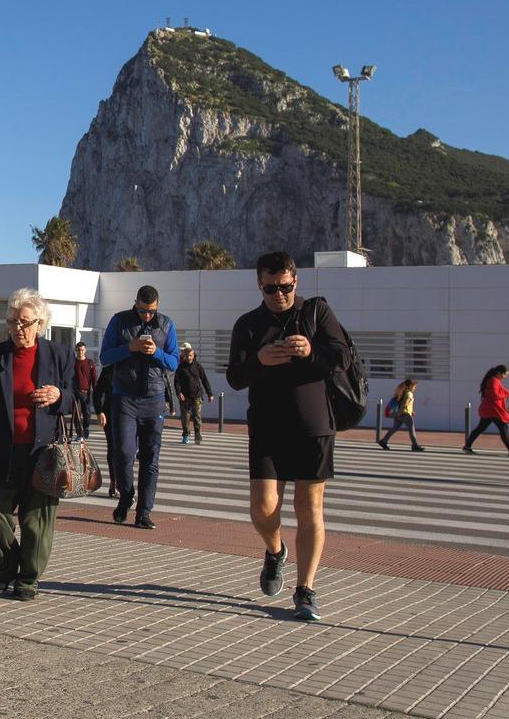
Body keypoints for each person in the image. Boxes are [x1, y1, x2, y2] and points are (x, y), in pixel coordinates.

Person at [226, 251, 351, 622]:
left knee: (309, 507)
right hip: (267, 425)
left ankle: (306, 590)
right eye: (270, 288)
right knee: (263, 508)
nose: (279, 294)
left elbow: (342, 358)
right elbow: (234, 377)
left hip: (314, 425)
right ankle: (275, 550)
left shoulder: (317, 313)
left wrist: (312, 350)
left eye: (285, 287)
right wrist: (259, 361)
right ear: (259, 284)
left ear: (296, 281)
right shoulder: (248, 324)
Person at [0, 288, 74, 600]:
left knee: (36, 521)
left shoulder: (59, 355)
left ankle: (28, 579)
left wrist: (59, 397)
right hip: (2, 449)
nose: (17, 328)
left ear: (40, 323)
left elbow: (80, 400)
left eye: (24, 322)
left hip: (43, 453)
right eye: (12, 321)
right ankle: (9, 563)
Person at [99, 284, 179, 530]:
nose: (147, 316)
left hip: (154, 398)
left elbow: (174, 362)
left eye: (152, 311)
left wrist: (156, 352)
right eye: (143, 310)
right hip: (124, 397)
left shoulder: (166, 325)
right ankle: (126, 495)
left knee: (150, 457)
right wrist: (129, 348)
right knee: (123, 452)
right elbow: (104, 357)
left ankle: (144, 511)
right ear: (135, 303)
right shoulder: (120, 321)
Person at [464, 365, 509, 456]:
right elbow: (495, 395)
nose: (506, 377)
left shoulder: (495, 381)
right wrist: (507, 396)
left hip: (491, 410)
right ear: (499, 373)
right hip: (493, 410)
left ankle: (467, 446)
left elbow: (505, 391)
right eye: (505, 374)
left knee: (481, 428)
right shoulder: (493, 381)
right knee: (502, 429)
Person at [174, 342, 213, 444]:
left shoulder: (198, 366)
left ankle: (197, 434)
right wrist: (179, 393)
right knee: (185, 418)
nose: (189, 358)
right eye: (187, 356)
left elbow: (204, 380)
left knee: (197, 416)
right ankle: (186, 434)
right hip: (185, 397)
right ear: (184, 356)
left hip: (196, 395)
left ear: (193, 355)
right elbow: (176, 382)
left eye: (190, 356)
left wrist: (210, 393)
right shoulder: (181, 367)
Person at [92, 360, 118, 499]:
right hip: (110, 414)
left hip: (130, 415)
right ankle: (114, 481)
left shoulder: (132, 369)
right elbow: (97, 393)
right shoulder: (108, 371)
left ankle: (123, 481)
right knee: (113, 448)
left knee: (127, 451)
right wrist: (99, 412)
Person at [378, 379, 424, 451]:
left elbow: (404, 404)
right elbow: (404, 404)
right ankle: (415, 445)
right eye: (414, 387)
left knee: (394, 428)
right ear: (410, 386)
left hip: (401, 413)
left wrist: (410, 411)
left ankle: (383, 441)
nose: (415, 388)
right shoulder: (409, 394)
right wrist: (400, 413)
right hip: (404, 414)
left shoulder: (404, 392)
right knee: (412, 429)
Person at [70, 341, 97, 440]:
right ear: (76, 350)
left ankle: (85, 428)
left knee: (87, 413)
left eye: (82, 350)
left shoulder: (90, 363)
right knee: (76, 414)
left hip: (86, 392)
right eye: (78, 350)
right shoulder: (73, 363)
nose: (80, 352)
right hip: (75, 392)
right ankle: (79, 434)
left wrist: (96, 391)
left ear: (85, 350)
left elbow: (94, 379)